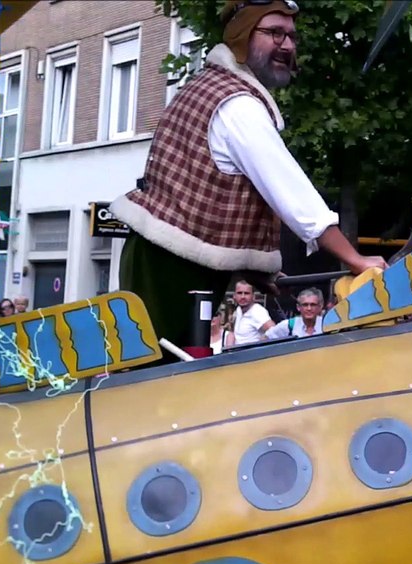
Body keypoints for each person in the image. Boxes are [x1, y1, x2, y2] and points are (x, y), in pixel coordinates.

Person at [110, 0, 387, 351]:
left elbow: (214, 201)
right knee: (158, 372)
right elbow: (294, 196)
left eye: (291, 36)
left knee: (164, 364)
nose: (287, 45)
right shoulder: (237, 105)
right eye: (274, 33)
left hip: (164, 257)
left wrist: (258, 271)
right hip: (170, 268)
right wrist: (355, 259)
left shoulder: (211, 87)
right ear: (242, 36)